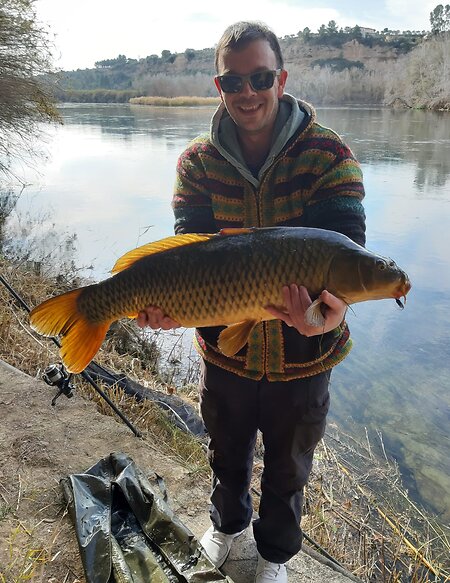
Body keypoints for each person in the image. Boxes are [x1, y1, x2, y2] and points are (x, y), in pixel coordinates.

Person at [137, 21, 366, 583]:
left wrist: (326, 316)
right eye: (232, 81)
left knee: (289, 466)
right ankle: (227, 527)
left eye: (260, 78)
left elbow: (347, 251)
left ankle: (275, 558)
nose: (247, 93)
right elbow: (185, 251)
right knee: (226, 450)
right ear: (219, 87)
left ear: (281, 79)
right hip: (226, 350)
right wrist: (167, 309)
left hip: (305, 354)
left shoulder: (328, 153)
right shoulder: (196, 162)